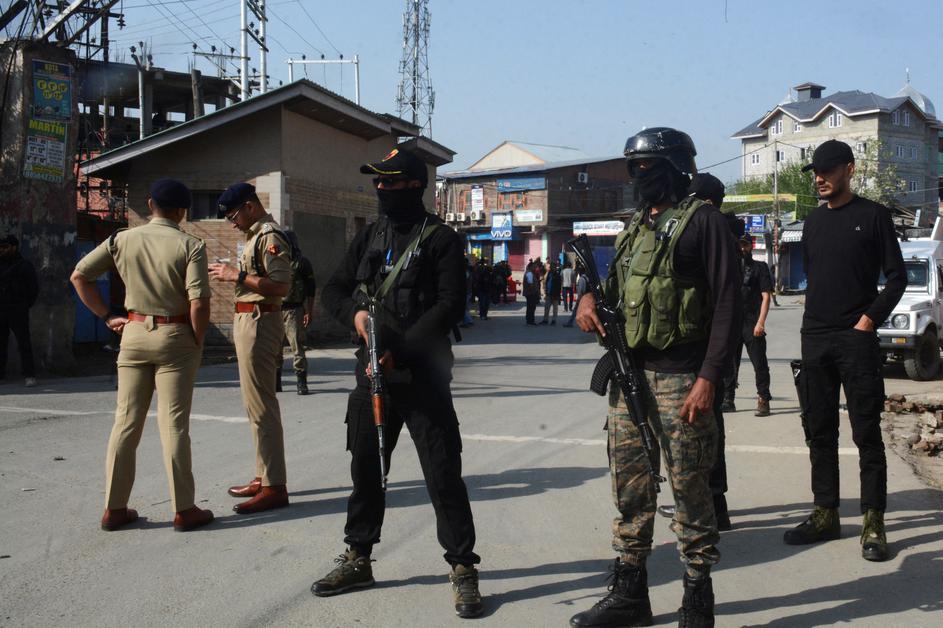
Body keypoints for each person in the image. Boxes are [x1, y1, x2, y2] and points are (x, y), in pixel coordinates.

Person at [572, 128, 739, 627]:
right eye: (634, 167)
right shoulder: (636, 227)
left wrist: (711, 377)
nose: (639, 176)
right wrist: (585, 298)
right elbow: (611, 284)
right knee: (631, 488)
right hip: (630, 377)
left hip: (682, 379)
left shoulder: (704, 223)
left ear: (675, 167)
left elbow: (730, 303)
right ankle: (630, 593)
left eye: (648, 166)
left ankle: (697, 599)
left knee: (690, 489)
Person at [314, 148, 483, 618]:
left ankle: (463, 566)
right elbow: (333, 290)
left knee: (443, 475)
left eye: (391, 183)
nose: (382, 190)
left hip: (422, 376)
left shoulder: (441, 239)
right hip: (371, 378)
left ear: (415, 185)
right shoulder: (370, 235)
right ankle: (359, 556)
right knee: (365, 472)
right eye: (378, 183)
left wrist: (399, 351)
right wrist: (358, 316)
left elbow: (449, 305)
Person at [785, 140, 906, 562]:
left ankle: (873, 520)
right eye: (816, 171)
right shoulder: (812, 222)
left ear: (849, 170)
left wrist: (868, 321)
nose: (820, 177)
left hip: (856, 339)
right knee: (819, 430)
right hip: (815, 337)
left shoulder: (873, 217)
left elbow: (897, 279)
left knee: (866, 434)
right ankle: (826, 512)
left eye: (828, 170)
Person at [70, 179, 214, 532]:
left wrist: (106, 315)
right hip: (175, 333)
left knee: (126, 422)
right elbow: (199, 301)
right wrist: (196, 340)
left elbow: (79, 276)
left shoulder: (122, 238)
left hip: (132, 333)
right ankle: (184, 509)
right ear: (183, 212)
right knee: (174, 425)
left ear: (150, 204)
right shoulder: (190, 245)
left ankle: (114, 508)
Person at [209, 182, 292, 514]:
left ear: (250, 207)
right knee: (254, 406)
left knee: (261, 407)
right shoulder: (255, 236)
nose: (232, 223)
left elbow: (282, 285)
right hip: (250, 320)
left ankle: (274, 485)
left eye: (233, 216)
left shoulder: (270, 236)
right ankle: (263, 475)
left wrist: (236, 276)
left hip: (261, 320)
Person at [722, 235, 773, 416]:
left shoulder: (760, 267)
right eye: (739, 245)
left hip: (753, 323)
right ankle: (728, 399)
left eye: (745, 245)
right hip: (733, 324)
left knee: (760, 364)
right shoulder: (729, 268)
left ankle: (763, 398)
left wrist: (761, 322)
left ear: (750, 246)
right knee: (729, 364)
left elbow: (766, 296)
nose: (742, 249)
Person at [277, 230, 317, 395]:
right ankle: (276, 382)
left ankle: (301, 382)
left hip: (294, 309)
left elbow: (311, 289)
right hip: (276, 309)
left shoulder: (301, 262)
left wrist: (309, 311)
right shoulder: (277, 261)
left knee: (297, 347)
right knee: (275, 348)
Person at [0, 235, 38, 387]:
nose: (2, 250)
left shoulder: (24, 265)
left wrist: (24, 305)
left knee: (24, 343)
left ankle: (29, 375)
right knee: (0, 343)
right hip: (1, 309)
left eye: (5, 247)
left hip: (18, 309)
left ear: (14, 247)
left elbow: (33, 289)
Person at [540, 261, 562, 325]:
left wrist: (558, 295)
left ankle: (554, 320)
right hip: (548, 294)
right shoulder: (548, 274)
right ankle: (545, 320)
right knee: (547, 307)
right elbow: (545, 282)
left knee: (555, 308)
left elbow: (559, 285)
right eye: (550, 266)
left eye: (552, 266)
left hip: (555, 294)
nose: (551, 268)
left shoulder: (557, 275)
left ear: (554, 267)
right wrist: (545, 291)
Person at [522, 261, 540, 325]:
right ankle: (530, 320)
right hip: (531, 293)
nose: (535, 268)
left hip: (530, 293)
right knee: (531, 307)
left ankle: (529, 319)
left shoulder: (530, 273)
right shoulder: (529, 274)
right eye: (534, 267)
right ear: (531, 267)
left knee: (530, 307)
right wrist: (534, 292)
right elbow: (530, 284)